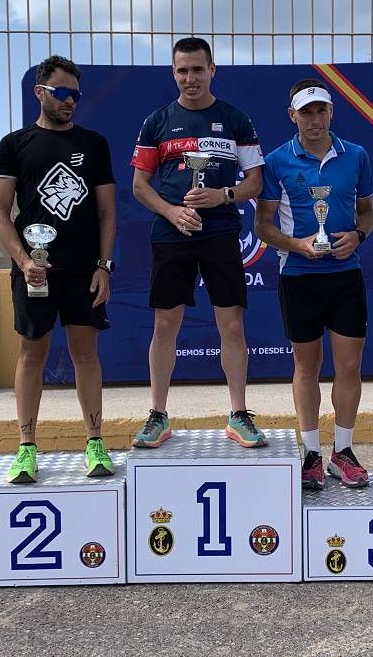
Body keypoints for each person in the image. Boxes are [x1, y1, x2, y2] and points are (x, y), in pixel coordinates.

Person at [130, 37, 266, 448]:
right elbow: (140, 186)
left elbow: (255, 182)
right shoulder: (157, 121)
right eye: (182, 70)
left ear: (213, 70)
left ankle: (239, 414)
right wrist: (172, 211)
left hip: (222, 233)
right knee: (165, 325)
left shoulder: (235, 119)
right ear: (174, 73)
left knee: (232, 325)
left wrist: (222, 196)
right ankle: (158, 415)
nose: (190, 78)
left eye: (197, 69)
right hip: (172, 234)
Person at [0, 55, 117, 483]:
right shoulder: (14, 144)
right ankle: (26, 447)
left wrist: (104, 266)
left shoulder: (94, 143)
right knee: (32, 353)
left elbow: (106, 213)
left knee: (86, 354)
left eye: (75, 95)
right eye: (62, 93)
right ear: (40, 92)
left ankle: (95, 442)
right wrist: (25, 262)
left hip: (84, 271)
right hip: (35, 271)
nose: (70, 102)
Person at [255, 79, 373, 489]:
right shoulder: (276, 161)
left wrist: (357, 236)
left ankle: (342, 452)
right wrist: (297, 245)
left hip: (346, 276)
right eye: (306, 112)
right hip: (299, 277)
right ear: (293, 116)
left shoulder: (356, 156)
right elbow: (263, 227)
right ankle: (310, 453)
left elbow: (366, 213)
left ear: (331, 113)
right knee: (306, 367)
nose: (315, 119)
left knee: (349, 366)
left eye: (321, 110)